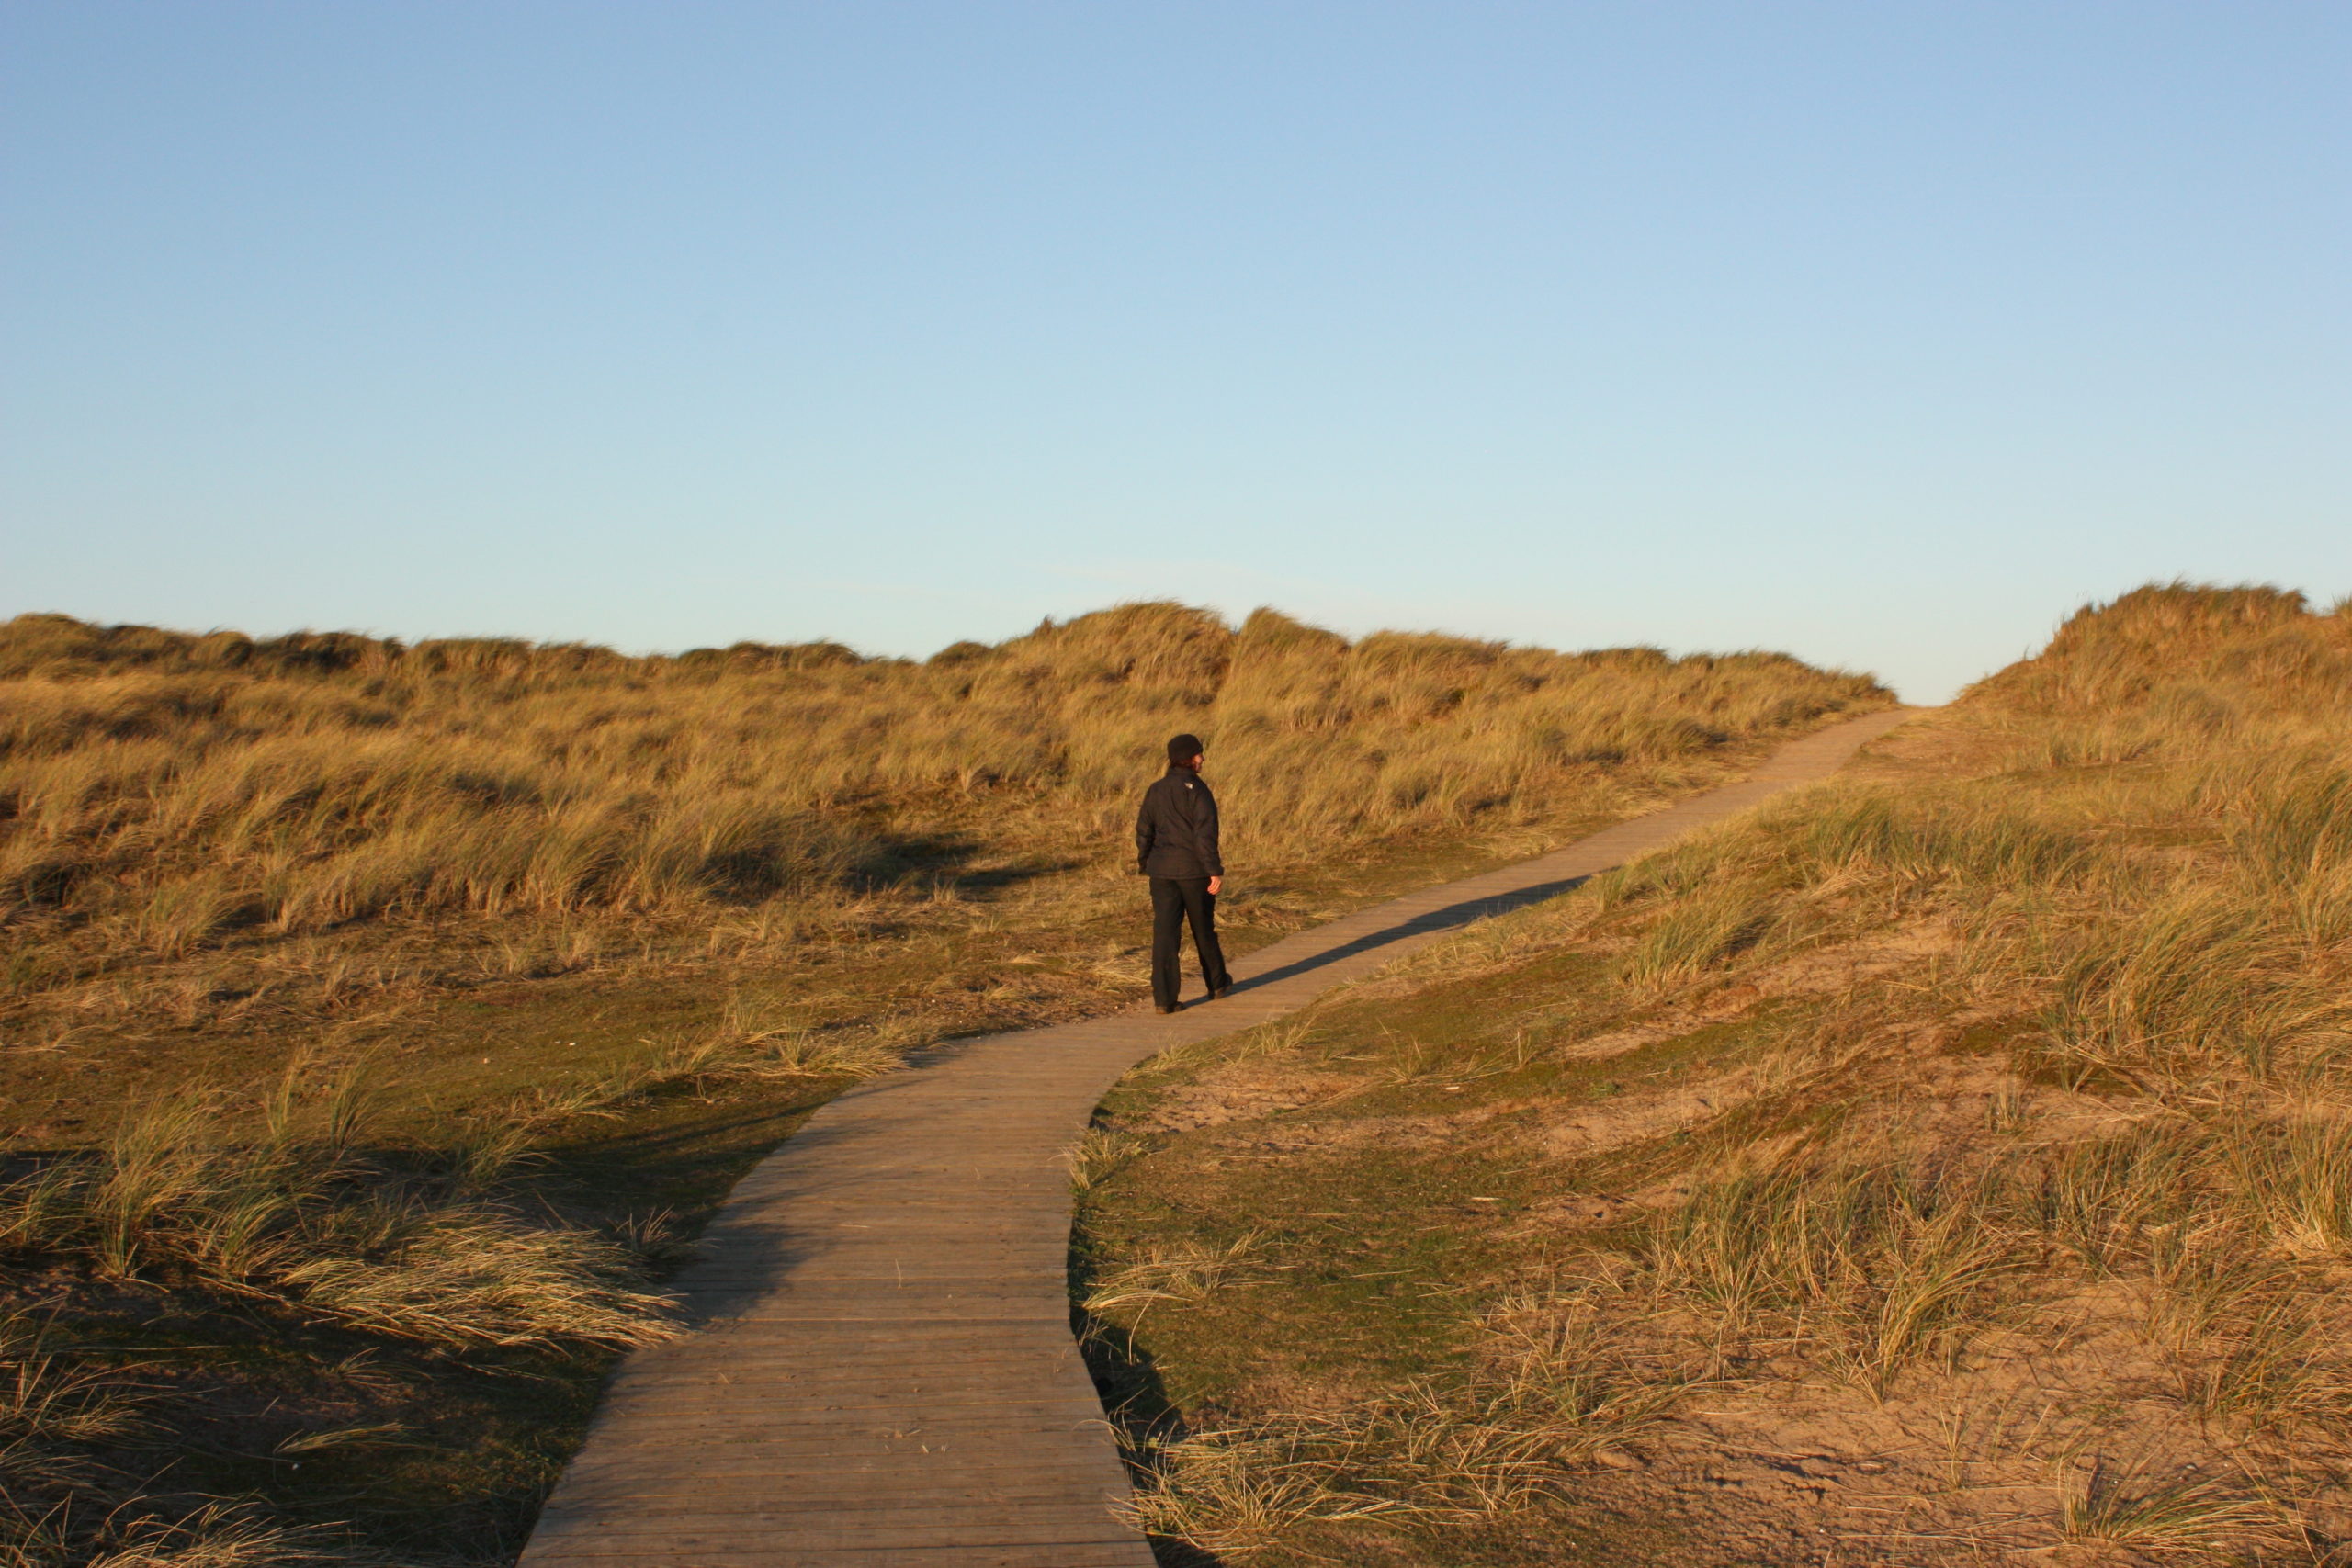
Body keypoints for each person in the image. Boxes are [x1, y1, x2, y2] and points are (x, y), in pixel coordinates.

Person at [1135, 732, 1231, 1014]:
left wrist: (1146, 862)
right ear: (1189, 759)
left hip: (1161, 872)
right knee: (1203, 929)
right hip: (1194, 872)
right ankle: (1217, 984)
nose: (1203, 758)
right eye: (1199, 754)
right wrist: (1214, 870)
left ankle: (1164, 999)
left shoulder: (1156, 789)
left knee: (1164, 934)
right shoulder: (1199, 791)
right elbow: (1205, 835)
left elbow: (1144, 830)